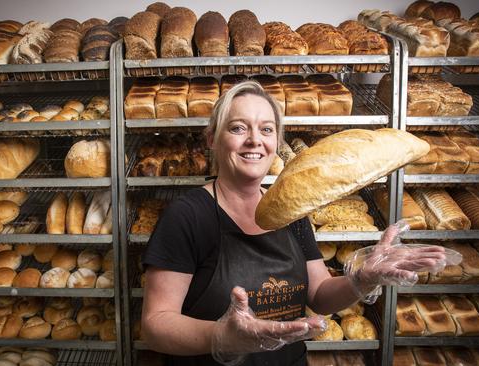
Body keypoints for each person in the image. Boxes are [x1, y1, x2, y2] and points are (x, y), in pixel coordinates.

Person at [141, 81, 446, 366]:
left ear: (276, 141)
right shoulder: (187, 216)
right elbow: (155, 325)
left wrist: (361, 279)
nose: (254, 140)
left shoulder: (289, 210)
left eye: (267, 129)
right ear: (212, 138)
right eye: (237, 128)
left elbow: (320, 296)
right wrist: (222, 337)